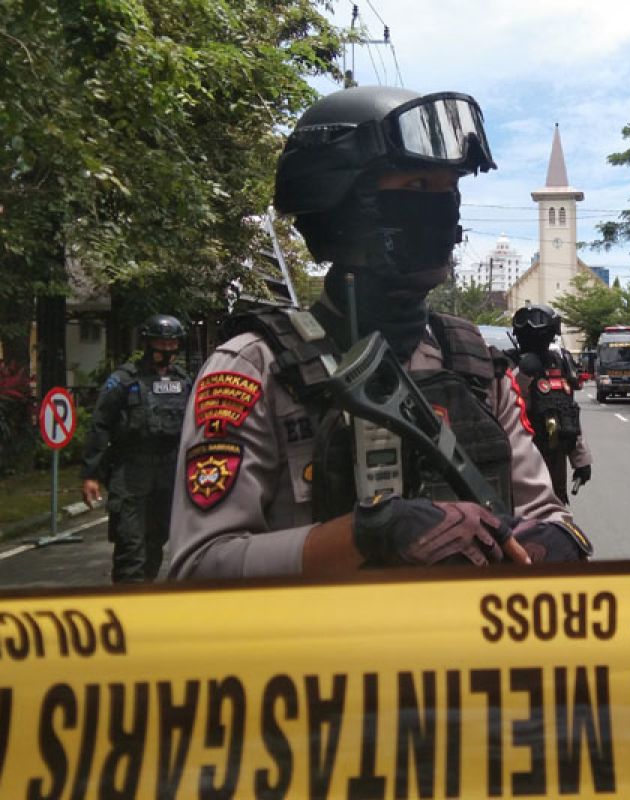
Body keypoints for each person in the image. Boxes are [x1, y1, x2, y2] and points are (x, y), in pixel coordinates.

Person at [167, 85, 591, 580]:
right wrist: (363, 536)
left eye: (448, 190)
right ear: (342, 204)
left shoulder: (474, 362)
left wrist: (554, 541)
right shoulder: (256, 369)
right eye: (416, 188)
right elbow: (197, 569)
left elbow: (543, 512)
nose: (443, 210)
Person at [81, 314, 192, 582]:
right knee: (131, 547)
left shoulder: (184, 381)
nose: (166, 349)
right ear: (148, 343)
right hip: (130, 472)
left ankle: (144, 598)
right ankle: (127, 606)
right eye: (160, 343)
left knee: (156, 543)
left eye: (171, 344)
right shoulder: (124, 380)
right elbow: (100, 425)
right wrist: (90, 474)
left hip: (168, 471)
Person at [507, 304, 592, 503]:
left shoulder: (559, 363)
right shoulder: (508, 365)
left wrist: (581, 460)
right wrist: (523, 374)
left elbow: (569, 413)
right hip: (519, 457)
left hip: (555, 456)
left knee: (556, 513)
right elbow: (504, 407)